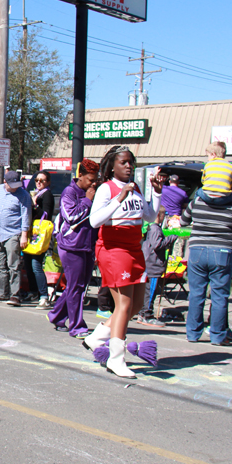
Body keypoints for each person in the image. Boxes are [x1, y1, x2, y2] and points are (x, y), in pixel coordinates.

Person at [83, 146, 163, 379]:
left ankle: (96, 337)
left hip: (134, 248)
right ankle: (116, 359)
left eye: (131, 162)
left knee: (136, 306)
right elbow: (95, 221)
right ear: (112, 166)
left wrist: (157, 194)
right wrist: (119, 198)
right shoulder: (106, 189)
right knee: (124, 306)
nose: (129, 166)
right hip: (113, 249)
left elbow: (150, 217)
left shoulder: (136, 188)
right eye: (124, 162)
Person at [180, 155, 232, 345]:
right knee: (220, 296)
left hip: (197, 251)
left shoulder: (197, 202)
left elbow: (183, 221)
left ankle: (193, 333)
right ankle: (218, 336)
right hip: (223, 252)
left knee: (196, 293)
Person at [48, 160, 99, 336]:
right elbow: (71, 217)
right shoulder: (69, 192)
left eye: (95, 180)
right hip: (70, 245)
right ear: (81, 176)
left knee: (78, 285)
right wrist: (87, 200)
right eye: (90, 179)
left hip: (87, 244)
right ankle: (77, 326)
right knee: (76, 286)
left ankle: (56, 315)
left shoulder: (92, 192)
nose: (93, 183)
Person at [0, 170, 31, 307]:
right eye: (13, 184)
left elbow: (25, 215)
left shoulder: (23, 195)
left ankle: (15, 294)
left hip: (14, 233)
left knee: (14, 264)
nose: (15, 187)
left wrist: (24, 235)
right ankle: (2, 292)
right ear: (5, 182)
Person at [136, 207, 177, 327]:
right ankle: (146, 314)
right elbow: (157, 245)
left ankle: (143, 312)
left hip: (151, 263)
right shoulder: (155, 228)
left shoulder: (152, 228)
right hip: (152, 265)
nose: (165, 217)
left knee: (147, 290)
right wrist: (171, 238)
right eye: (164, 214)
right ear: (159, 215)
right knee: (150, 291)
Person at [25, 170, 55, 308]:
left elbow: (46, 214)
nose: (38, 183)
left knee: (36, 265)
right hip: (32, 232)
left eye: (42, 181)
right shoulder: (37, 193)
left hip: (40, 234)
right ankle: (33, 291)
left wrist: (35, 205)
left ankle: (44, 295)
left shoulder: (47, 195)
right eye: (37, 180)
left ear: (48, 182)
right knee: (28, 263)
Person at [195, 141, 232, 206]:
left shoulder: (208, 164)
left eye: (208, 156)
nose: (208, 158)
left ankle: (195, 206)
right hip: (223, 198)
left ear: (213, 154)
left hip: (207, 196)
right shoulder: (230, 166)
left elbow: (203, 181)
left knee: (198, 192)